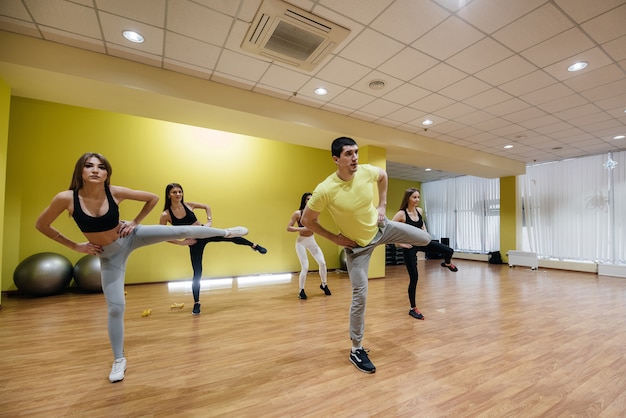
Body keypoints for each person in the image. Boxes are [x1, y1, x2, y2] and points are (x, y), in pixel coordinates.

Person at [35, 153, 248, 383]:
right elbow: (42, 224)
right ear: (81, 171)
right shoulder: (66, 198)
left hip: (132, 236)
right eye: (89, 166)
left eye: (101, 167)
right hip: (109, 255)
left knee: (181, 230)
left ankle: (227, 232)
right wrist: (76, 246)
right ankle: (119, 360)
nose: (95, 170)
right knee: (116, 307)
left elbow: (153, 198)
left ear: (107, 173)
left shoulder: (114, 192)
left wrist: (135, 222)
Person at [300, 137, 431, 374]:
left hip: (381, 229)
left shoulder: (365, 171)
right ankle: (356, 349)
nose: (355, 158)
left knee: (426, 239)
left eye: (356, 153)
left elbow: (383, 175)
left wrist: (382, 205)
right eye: (349, 154)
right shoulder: (326, 189)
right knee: (360, 295)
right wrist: (335, 239)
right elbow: (307, 220)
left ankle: (428, 250)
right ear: (336, 159)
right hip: (357, 248)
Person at [159, 183, 267, 315]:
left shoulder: (188, 205)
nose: (178, 194)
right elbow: (162, 235)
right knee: (197, 272)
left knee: (230, 237)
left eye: (180, 192)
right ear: (168, 195)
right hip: (194, 242)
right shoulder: (166, 214)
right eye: (174, 192)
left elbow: (206, 206)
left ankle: (254, 245)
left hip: (205, 231)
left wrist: (209, 221)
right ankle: (196, 303)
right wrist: (183, 243)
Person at [392, 187, 458, 321]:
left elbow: (422, 227)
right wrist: (400, 244)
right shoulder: (401, 214)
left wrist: (426, 236)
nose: (417, 200)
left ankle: (447, 263)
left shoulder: (419, 211)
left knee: (448, 250)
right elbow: (389, 230)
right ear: (408, 198)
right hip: (410, 247)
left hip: (422, 242)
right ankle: (413, 308)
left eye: (418, 197)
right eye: (414, 197)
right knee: (414, 278)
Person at [286, 192, 329, 299]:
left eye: (311, 199)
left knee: (322, 263)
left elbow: (318, 226)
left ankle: (324, 284)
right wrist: (302, 229)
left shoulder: (314, 213)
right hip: (301, 242)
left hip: (311, 240)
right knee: (305, 267)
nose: (310, 201)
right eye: (307, 199)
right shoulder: (297, 213)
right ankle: (301, 291)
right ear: (304, 201)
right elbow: (289, 228)